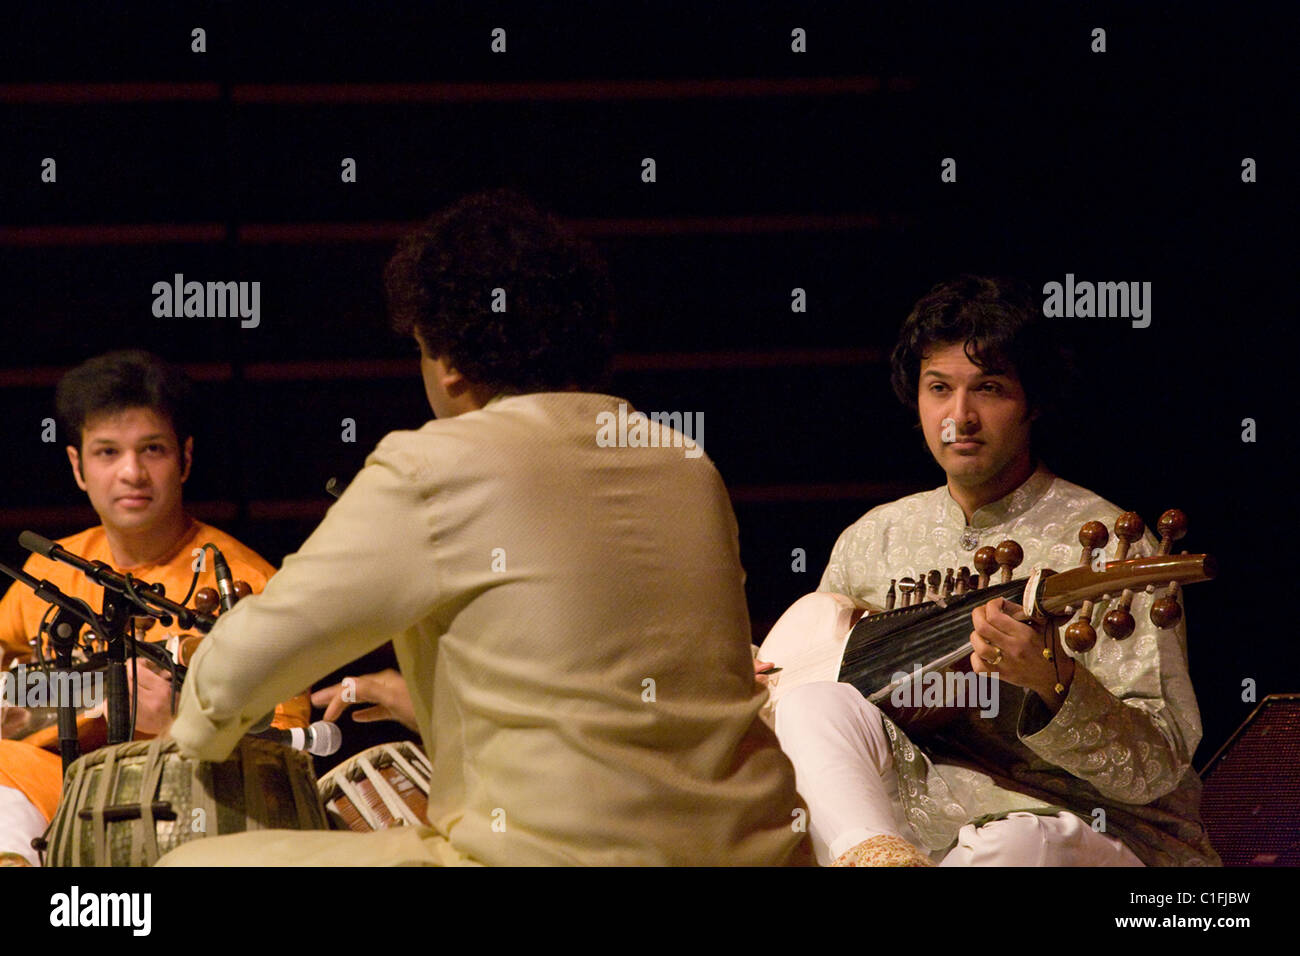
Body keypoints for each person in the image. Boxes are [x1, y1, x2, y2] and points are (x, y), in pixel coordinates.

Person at [159, 190, 806, 866]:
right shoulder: (686, 462)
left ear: (448, 361)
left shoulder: (434, 465)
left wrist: (195, 731)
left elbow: (245, 667)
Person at [771, 276, 1219, 867]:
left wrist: (1054, 685)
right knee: (810, 706)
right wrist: (760, 691)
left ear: (1033, 402)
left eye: (988, 389)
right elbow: (823, 705)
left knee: (1013, 847)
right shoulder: (873, 539)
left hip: (1083, 827)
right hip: (924, 825)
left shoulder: (1112, 544)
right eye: (939, 389)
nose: (961, 417)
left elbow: (1156, 766)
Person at [0, 350, 310, 866]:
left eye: (152, 449)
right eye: (106, 452)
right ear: (77, 466)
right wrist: (64, 700)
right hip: (50, 792)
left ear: (185, 459)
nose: (132, 473)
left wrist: (175, 725)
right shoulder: (50, 574)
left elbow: (282, 751)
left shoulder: (246, 585)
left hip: (181, 807)